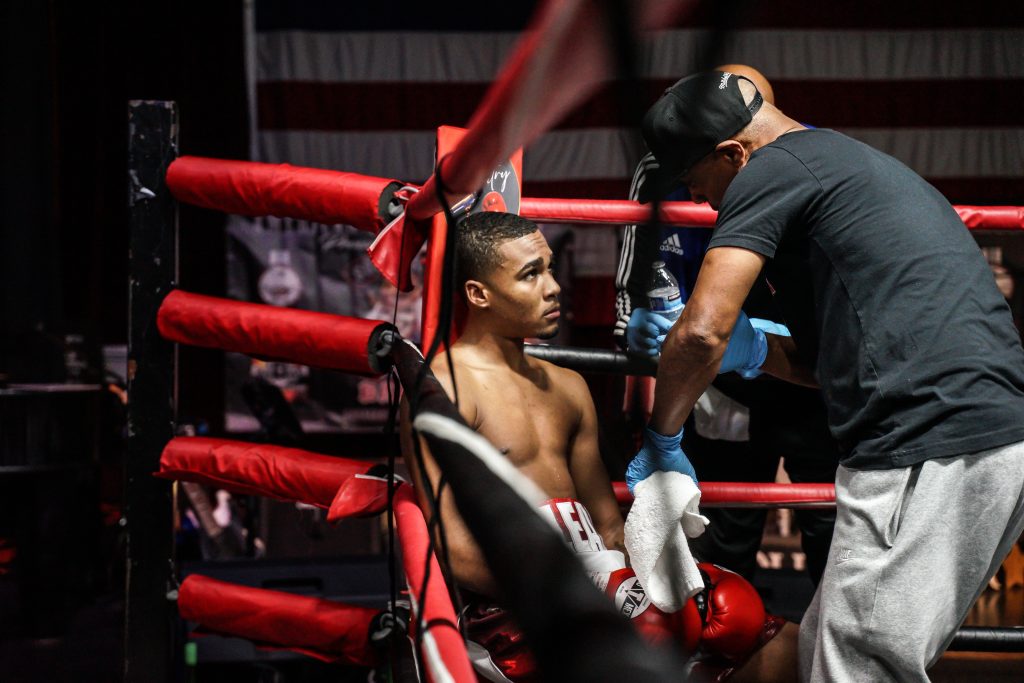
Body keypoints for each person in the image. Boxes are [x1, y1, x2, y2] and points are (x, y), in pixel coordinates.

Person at [629, 70, 1024, 682]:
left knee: (857, 665)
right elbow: (832, 364)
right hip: (970, 437)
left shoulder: (770, 170)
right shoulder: (839, 164)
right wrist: (756, 350)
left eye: (693, 178)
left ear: (732, 154)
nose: (698, 198)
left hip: (930, 442)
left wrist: (662, 438)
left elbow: (701, 331)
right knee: (823, 647)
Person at [400, 210, 799, 683]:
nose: (553, 287)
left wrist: (660, 579)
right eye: (530, 275)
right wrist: (582, 589)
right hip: (514, 607)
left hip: (601, 581)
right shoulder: (444, 389)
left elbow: (608, 525)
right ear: (478, 294)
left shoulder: (568, 386)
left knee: (783, 648)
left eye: (550, 268)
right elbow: (455, 550)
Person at [615, 63, 837, 586]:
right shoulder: (664, 164)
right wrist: (639, 334)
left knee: (833, 526)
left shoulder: (812, 157)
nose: (696, 195)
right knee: (724, 531)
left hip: (809, 370)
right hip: (721, 374)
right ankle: (725, 637)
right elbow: (642, 283)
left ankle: (839, 640)